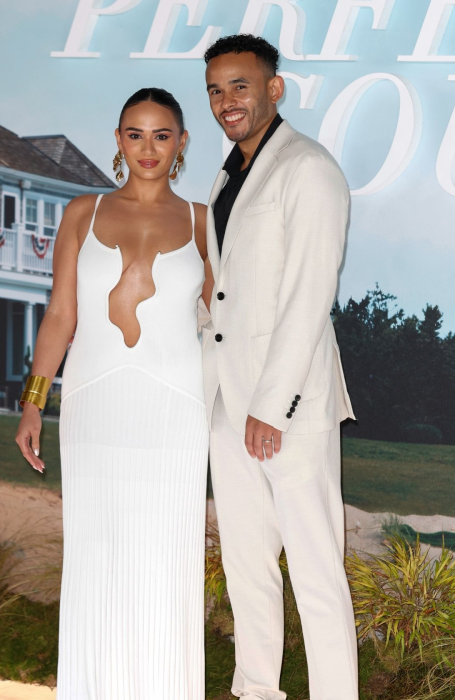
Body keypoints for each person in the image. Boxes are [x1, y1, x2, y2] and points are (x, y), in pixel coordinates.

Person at [15, 88, 214, 700]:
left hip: (175, 410)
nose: (147, 147)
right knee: (97, 556)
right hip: (94, 407)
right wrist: (33, 400)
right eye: (135, 133)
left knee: (166, 557)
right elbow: (59, 318)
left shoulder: (206, 222)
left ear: (181, 143)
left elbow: (226, 320)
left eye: (161, 135)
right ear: (119, 138)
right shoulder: (83, 211)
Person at [202, 35, 359, 700]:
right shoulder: (225, 175)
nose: (226, 102)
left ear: (274, 89)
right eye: (215, 89)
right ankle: (255, 691)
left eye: (240, 85)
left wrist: (272, 405)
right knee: (247, 568)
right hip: (225, 403)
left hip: (286, 411)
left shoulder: (311, 169)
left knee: (317, 573)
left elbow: (308, 296)